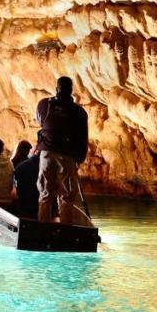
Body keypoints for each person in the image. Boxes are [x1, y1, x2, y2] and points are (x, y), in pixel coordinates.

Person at [36, 76, 91, 226]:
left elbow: (41, 122)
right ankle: (66, 230)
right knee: (66, 196)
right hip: (67, 156)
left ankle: (42, 229)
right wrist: (79, 159)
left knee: (45, 194)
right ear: (71, 90)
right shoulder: (79, 112)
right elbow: (82, 138)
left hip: (46, 153)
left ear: (56, 89)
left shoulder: (44, 104)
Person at [12, 143, 41, 218]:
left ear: (35, 151)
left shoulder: (19, 166)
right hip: (38, 205)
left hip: (22, 203)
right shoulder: (47, 169)